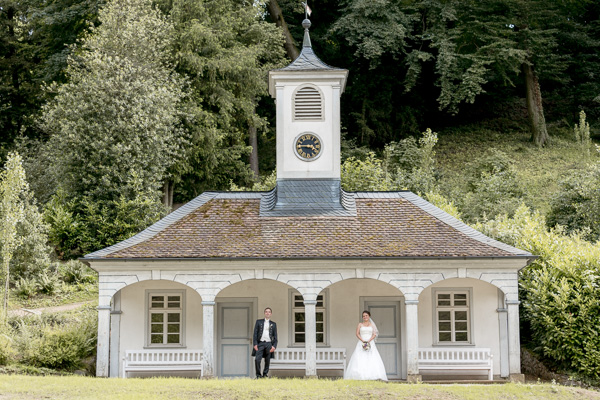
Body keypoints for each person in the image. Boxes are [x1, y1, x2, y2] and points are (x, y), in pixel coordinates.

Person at [344, 310, 388, 381]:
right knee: (360, 357)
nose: (365, 317)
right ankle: (359, 375)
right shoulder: (360, 324)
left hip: (370, 342)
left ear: (369, 316)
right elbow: (357, 333)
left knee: (371, 357)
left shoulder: (372, 325)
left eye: (366, 316)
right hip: (362, 342)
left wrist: (369, 341)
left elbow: (374, 334)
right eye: (363, 316)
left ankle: (372, 375)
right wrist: (363, 341)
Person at [252, 307, 278, 378]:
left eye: (269, 312)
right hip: (260, 343)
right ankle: (258, 375)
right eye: (266, 312)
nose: (267, 313)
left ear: (271, 314)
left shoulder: (273, 324)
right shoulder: (258, 322)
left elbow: (275, 336)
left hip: (269, 343)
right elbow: (255, 334)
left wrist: (274, 346)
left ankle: (265, 374)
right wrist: (255, 344)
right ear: (264, 313)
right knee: (257, 359)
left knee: (267, 360)